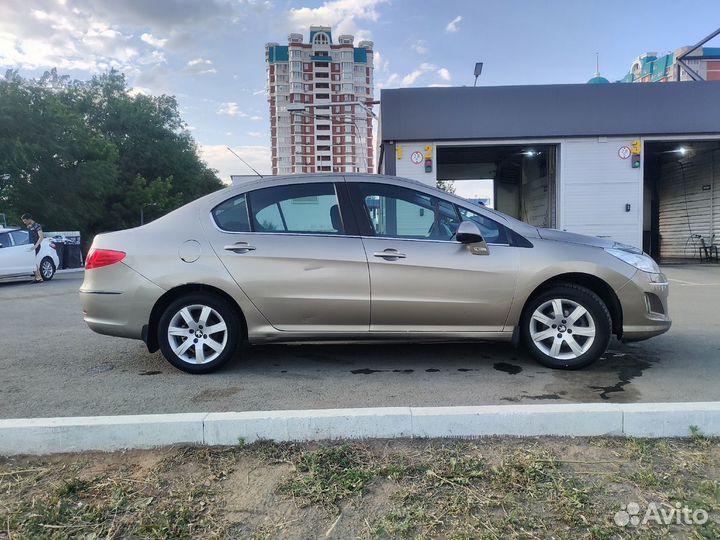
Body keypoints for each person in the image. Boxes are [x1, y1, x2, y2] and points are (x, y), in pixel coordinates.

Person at [21, 213, 44, 283]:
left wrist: (36, 245)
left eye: (25, 221)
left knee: (32, 260)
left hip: (35, 245)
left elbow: (41, 237)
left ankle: (38, 277)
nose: (24, 222)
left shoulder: (37, 226)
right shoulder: (29, 226)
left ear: (29, 219)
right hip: (30, 245)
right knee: (32, 261)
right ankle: (38, 277)